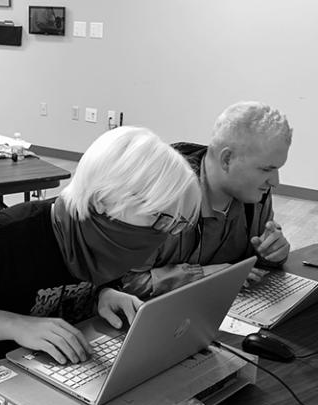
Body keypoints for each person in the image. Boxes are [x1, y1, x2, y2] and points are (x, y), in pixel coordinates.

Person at [0, 126, 201, 370]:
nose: (164, 235)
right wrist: (18, 326)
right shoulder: (5, 237)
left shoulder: (100, 242)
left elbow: (78, 282)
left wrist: (104, 294)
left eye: (175, 224)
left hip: (50, 365)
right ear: (101, 200)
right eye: (158, 217)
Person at [122, 101, 292, 299]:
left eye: (277, 169)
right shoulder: (160, 196)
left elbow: (257, 264)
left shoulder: (256, 193)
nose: (275, 182)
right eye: (266, 169)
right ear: (227, 159)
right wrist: (200, 276)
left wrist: (273, 254)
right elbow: (121, 282)